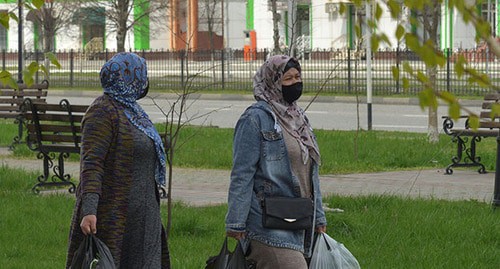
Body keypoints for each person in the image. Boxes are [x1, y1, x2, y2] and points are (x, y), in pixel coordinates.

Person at [66, 52, 170, 268]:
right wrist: (89, 210)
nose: (145, 81)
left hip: (145, 215)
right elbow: (91, 165)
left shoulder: (133, 111)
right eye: (142, 74)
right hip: (115, 215)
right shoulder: (102, 112)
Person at [225, 55, 327, 268]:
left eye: (298, 77)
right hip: (267, 222)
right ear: (273, 82)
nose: (295, 83)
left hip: (299, 219)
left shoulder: (299, 120)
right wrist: (235, 222)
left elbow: (310, 174)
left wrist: (319, 218)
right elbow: (242, 174)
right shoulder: (254, 119)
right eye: (287, 79)